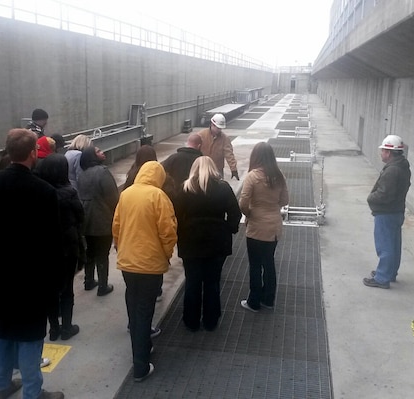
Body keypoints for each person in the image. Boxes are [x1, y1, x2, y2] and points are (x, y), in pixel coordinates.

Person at [0, 128, 64, 399]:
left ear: (8, 152)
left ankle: (0, 387)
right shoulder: (44, 191)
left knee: (0, 332)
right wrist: (56, 282)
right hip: (32, 279)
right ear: (34, 153)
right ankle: (33, 393)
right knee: (30, 337)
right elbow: (53, 242)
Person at [112, 161, 177, 382]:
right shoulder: (159, 197)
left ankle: (143, 347)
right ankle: (140, 365)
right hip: (150, 265)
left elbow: (117, 227)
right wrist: (166, 255)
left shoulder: (126, 194)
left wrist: (122, 249)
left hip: (128, 263)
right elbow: (168, 232)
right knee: (145, 312)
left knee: (133, 307)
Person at [174, 156, 241, 331]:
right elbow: (235, 214)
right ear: (213, 168)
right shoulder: (223, 188)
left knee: (192, 282)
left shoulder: (185, 188)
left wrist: (181, 234)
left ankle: (191, 320)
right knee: (212, 282)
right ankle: (211, 320)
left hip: (191, 242)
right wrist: (228, 229)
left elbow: (175, 217)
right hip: (217, 242)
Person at [35, 154, 83, 341]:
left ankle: (53, 328)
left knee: (50, 289)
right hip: (67, 245)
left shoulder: (41, 191)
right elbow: (80, 216)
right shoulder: (69, 192)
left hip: (46, 246)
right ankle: (66, 327)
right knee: (66, 287)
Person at [239, 142, 289, 313]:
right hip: (274, 227)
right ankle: (269, 299)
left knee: (255, 265)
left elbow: (243, 202)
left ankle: (254, 301)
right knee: (269, 262)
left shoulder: (252, 177)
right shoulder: (279, 175)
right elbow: (285, 200)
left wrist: (250, 213)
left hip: (256, 227)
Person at [363, 135, 411, 289]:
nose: (381, 153)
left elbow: (384, 195)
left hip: (387, 213)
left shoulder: (392, 171)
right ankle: (389, 273)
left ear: (389, 152)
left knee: (385, 246)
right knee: (394, 245)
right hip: (396, 211)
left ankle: (382, 278)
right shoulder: (403, 166)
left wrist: (371, 198)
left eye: (383, 150)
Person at [77, 146, 118, 296]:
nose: (103, 152)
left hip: (86, 220)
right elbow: (113, 197)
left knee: (90, 252)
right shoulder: (103, 172)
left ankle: (88, 281)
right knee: (102, 254)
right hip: (102, 220)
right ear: (92, 156)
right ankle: (103, 286)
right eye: (99, 151)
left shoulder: (82, 174)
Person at [197, 113, 239, 180]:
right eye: (218, 128)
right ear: (212, 124)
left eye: (221, 128)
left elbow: (229, 154)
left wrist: (233, 169)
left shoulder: (224, 138)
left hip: (217, 169)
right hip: (203, 168)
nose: (219, 130)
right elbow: (194, 150)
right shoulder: (201, 135)